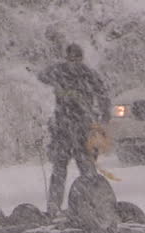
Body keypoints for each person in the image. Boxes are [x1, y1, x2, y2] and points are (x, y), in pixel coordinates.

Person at [38, 43, 112, 215]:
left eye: (75, 59)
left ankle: (57, 206)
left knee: (68, 170)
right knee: (79, 170)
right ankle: (89, 203)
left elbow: (41, 76)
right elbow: (103, 96)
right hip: (73, 129)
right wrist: (103, 118)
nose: (74, 63)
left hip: (71, 129)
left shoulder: (63, 72)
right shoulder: (85, 74)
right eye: (72, 59)